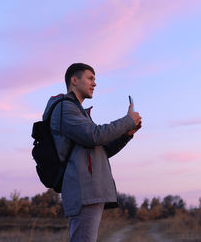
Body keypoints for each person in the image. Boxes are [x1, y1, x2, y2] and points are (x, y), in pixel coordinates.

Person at [42, 63, 142, 241]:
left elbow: (101, 150)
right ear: (74, 80)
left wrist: (126, 135)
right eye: (90, 78)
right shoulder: (65, 108)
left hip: (90, 191)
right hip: (83, 190)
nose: (95, 83)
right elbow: (94, 136)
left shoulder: (78, 112)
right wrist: (127, 121)